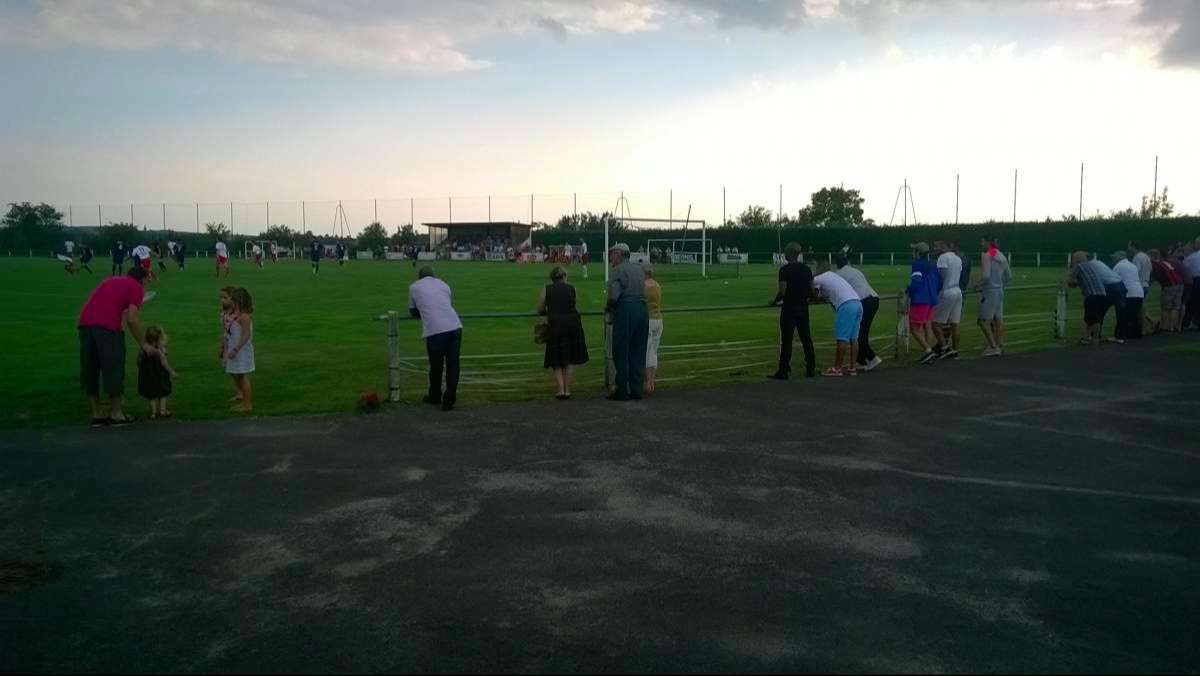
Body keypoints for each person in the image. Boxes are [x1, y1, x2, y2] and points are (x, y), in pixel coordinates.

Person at [77, 267, 152, 426]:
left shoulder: (111, 280)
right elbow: (132, 319)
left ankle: (96, 413)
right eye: (148, 278)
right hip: (106, 327)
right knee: (113, 366)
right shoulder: (137, 288)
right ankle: (116, 413)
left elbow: (113, 305)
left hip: (85, 323)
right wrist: (144, 343)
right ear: (143, 279)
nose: (149, 281)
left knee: (90, 367)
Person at [409, 267, 463, 411]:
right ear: (434, 275)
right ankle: (449, 399)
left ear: (419, 277)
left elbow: (413, 311)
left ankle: (435, 396)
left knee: (436, 366)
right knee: (453, 366)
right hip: (455, 326)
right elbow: (445, 304)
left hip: (436, 331)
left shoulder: (414, 287)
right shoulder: (444, 284)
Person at [536, 266, 589, 400]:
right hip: (573, 323)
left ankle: (560, 389)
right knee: (571, 358)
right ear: (564, 276)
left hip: (555, 325)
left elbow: (540, 308)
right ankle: (568, 389)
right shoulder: (572, 288)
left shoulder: (546, 289)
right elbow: (574, 304)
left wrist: (548, 312)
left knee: (556, 358)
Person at [606, 243, 649, 401]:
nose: (610, 258)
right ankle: (637, 389)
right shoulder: (639, 269)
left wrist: (609, 309)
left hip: (626, 310)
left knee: (621, 351)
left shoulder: (617, 271)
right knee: (638, 351)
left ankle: (622, 390)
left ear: (619, 254)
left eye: (612, 254)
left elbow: (613, 296)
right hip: (643, 310)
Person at [768, 242, 816, 380]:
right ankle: (810, 368)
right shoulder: (807, 269)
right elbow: (812, 289)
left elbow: (783, 292)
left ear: (787, 254)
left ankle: (783, 371)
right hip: (803, 307)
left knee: (787, 340)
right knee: (806, 338)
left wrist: (774, 302)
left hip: (789, 307)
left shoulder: (784, 270)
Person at [813, 262, 864, 376]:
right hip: (857, 302)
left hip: (846, 305)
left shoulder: (818, 278)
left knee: (842, 338)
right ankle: (852, 368)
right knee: (853, 338)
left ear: (818, 269)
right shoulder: (833, 276)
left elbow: (814, 295)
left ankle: (837, 368)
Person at [833, 253, 882, 371]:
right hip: (873, 298)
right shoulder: (855, 270)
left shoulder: (839, 274)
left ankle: (873, 358)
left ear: (837, 264)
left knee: (859, 334)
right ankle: (861, 361)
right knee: (861, 332)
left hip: (864, 301)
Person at [1066, 251, 1125, 345]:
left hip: (1098, 292)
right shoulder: (1094, 264)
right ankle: (1092, 337)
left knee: (1094, 317)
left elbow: (1070, 281)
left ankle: (1094, 338)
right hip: (1109, 289)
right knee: (1098, 315)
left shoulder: (1080, 266)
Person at [974, 235, 1012, 356]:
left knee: (982, 320)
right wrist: (1001, 286)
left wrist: (977, 285)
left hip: (990, 291)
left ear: (988, 243)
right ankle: (999, 344)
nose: (981, 244)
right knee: (998, 319)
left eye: (982, 242)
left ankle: (992, 346)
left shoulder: (987, 255)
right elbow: (1009, 276)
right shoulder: (1001, 255)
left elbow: (986, 276)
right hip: (999, 291)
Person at [221, 287, 255, 413]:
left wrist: (236, 348)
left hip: (242, 351)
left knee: (243, 375)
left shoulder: (244, 317)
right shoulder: (235, 315)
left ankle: (247, 405)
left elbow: (246, 335)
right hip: (235, 349)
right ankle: (243, 401)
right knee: (238, 375)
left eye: (234, 300)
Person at [907, 242, 942, 364]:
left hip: (920, 300)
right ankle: (929, 351)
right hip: (932, 299)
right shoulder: (933, 264)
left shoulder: (917, 264)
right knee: (927, 325)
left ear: (918, 253)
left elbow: (916, 282)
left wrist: (908, 290)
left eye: (914, 251)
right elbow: (940, 282)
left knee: (914, 328)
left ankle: (927, 350)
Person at [933, 240, 964, 360]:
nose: (934, 249)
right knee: (955, 324)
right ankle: (955, 350)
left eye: (936, 246)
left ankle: (944, 348)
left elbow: (941, 277)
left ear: (943, 246)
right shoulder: (957, 258)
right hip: (958, 291)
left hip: (947, 292)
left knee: (935, 323)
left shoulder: (942, 258)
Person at [138, 325, 177, 419]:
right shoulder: (159, 350)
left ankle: (153, 413)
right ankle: (163, 411)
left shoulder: (144, 349)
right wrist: (171, 371)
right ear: (157, 340)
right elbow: (164, 362)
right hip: (160, 375)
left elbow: (139, 361)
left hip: (148, 375)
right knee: (163, 393)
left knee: (152, 394)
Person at [1150, 249, 1184, 332]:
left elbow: (1154, 277)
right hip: (1180, 284)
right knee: (1175, 307)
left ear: (1152, 256)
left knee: (1166, 308)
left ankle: (1165, 327)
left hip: (1169, 286)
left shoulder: (1155, 264)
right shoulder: (1165, 262)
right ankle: (1173, 327)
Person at [1112, 252, 1144, 340]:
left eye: (1114, 258)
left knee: (1123, 316)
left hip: (1128, 293)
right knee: (1134, 315)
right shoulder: (1132, 265)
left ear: (1119, 258)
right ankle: (1136, 335)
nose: (1113, 260)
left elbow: (1113, 279)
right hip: (1139, 292)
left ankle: (1120, 336)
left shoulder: (1118, 266)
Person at [643, 265, 664, 393]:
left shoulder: (644, 286)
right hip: (658, 319)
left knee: (646, 351)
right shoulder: (657, 285)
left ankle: (647, 382)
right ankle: (652, 381)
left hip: (648, 319)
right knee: (654, 352)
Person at [1184, 242, 1200, 330]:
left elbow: (1185, 270)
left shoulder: (1190, 258)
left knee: (1194, 301)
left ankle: (1193, 321)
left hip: (1196, 280)